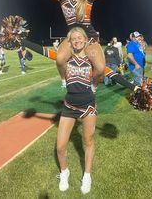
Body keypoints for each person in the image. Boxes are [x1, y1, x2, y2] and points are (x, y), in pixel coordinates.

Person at [23, 0, 123, 91]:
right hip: (72, 37)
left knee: (101, 68)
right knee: (60, 60)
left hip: (89, 37)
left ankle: (94, 86)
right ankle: (64, 81)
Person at [57, 27, 96, 194]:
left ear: (85, 39)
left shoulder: (92, 58)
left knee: (88, 141)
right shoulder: (67, 59)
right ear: (70, 42)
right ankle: (64, 171)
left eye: (80, 37)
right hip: (69, 106)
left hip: (88, 106)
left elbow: (101, 72)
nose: (77, 40)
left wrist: (95, 85)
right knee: (60, 146)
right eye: (74, 38)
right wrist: (62, 79)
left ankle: (87, 175)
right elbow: (58, 63)